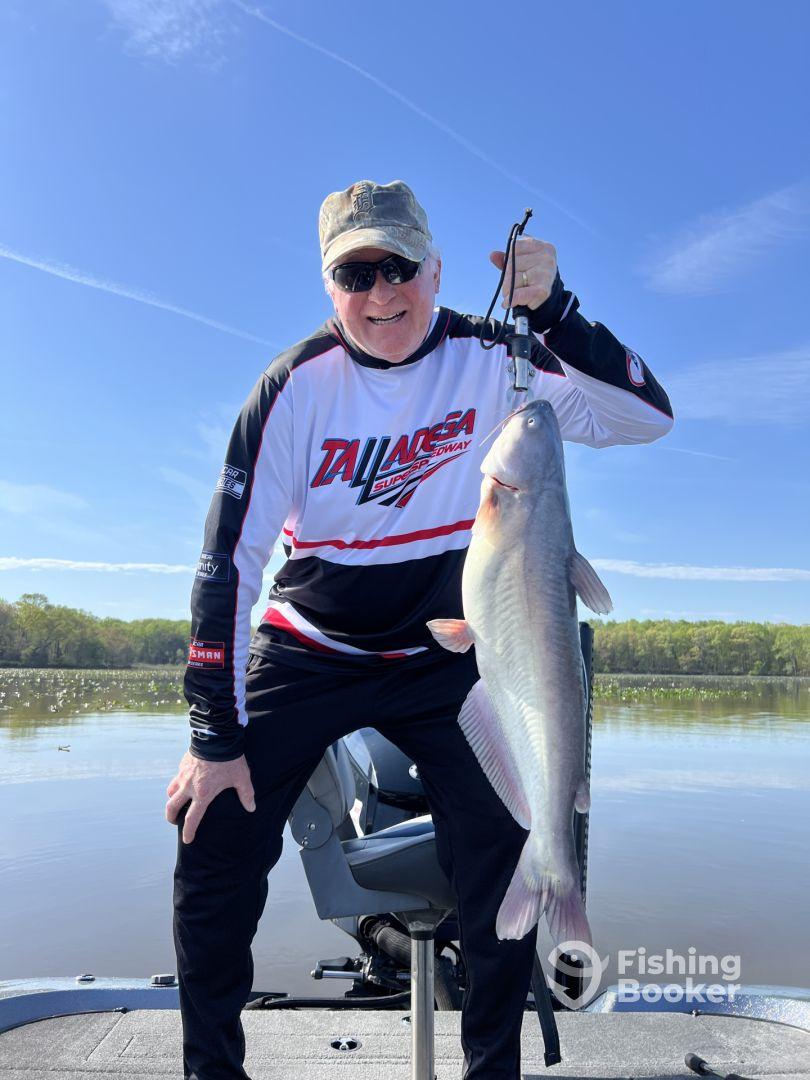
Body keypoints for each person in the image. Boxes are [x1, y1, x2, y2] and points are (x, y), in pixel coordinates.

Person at [167, 179, 674, 1079]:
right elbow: (227, 564)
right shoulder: (293, 387)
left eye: (398, 267)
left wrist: (555, 309)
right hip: (309, 647)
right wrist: (213, 732)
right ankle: (212, 1068)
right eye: (354, 275)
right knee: (211, 839)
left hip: (443, 653)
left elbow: (643, 417)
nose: (381, 294)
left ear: (435, 268)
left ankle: (492, 1069)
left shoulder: (496, 359)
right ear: (330, 289)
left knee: (498, 847)